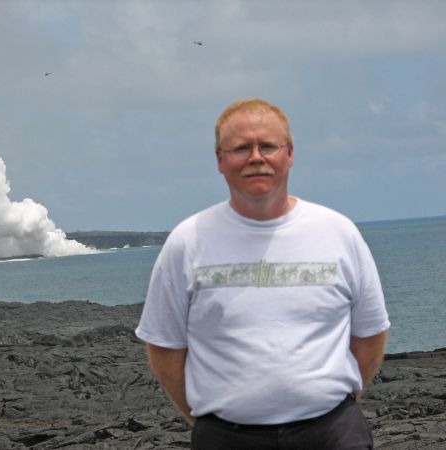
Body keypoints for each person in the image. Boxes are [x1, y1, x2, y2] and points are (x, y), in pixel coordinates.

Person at [135, 98, 390, 449]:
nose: (256, 158)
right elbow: (164, 346)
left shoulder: (339, 232)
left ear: (289, 154)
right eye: (241, 148)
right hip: (226, 438)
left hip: (333, 434)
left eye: (267, 146)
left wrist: (337, 403)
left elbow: (370, 334)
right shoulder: (187, 241)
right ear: (220, 161)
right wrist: (204, 418)